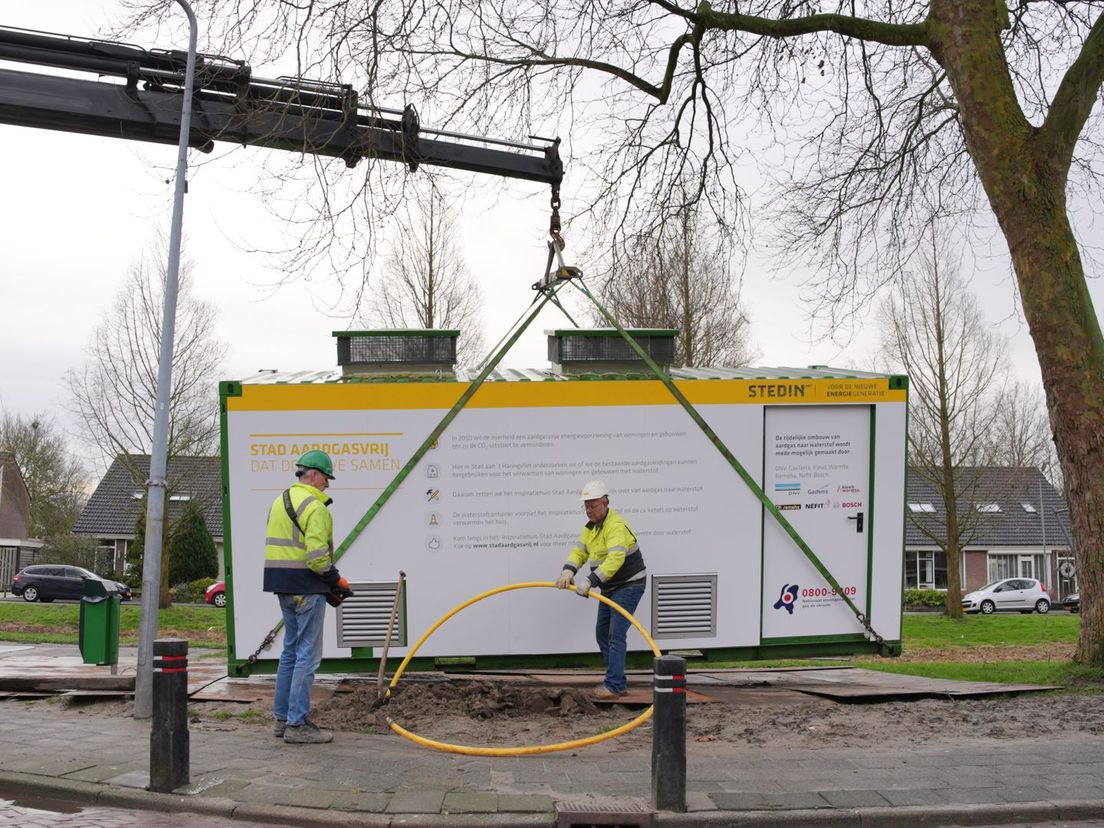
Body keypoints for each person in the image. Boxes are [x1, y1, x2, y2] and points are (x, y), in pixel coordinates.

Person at [263, 449, 351, 744]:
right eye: (326, 477)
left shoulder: (279, 502)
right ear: (312, 475)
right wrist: (335, 580)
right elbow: (316, 558)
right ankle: (297, 725)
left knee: (289, 653)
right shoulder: (315, 507)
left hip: (283, 586)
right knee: (307, 657)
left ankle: (282, 720)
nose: (328, 484)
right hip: (307, 588)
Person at [555, 480, 647, 699]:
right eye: (586, 505)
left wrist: (590, 580)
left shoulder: (615, 525)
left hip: (629, 584)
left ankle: (613, 686)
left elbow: (616, 558)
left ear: (605, 503)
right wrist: (568, 571)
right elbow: (579, 552)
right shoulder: (590, 528)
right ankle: (616, 681)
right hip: (611, 587)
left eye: (593, 505)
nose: (589, 510)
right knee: (602, 633)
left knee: (615, 634)